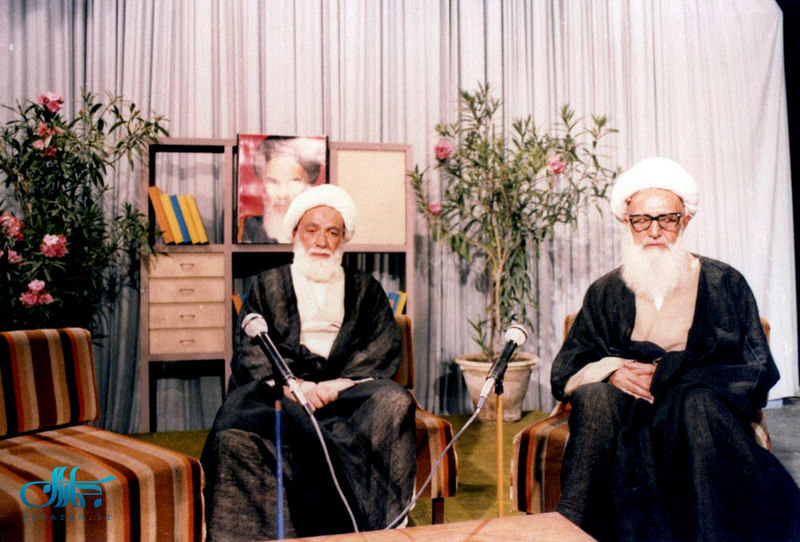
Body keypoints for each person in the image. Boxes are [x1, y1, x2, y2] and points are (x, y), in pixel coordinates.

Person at [550, 157, 800, 541]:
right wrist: (613, 370)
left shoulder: (724, 283)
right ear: (627, 224)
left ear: (685, 222)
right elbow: (569, 364)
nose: (654, 231)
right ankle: (573, 531)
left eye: (666, 219)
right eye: (641, 220)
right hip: (626, 410)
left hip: (696, 408)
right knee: (596, 400)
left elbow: (754, 367)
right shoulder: (606, 291)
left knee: (697, 406)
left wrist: (671, 375)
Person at [202, 184, 416, 541]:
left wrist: (334, 387)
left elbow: (382, 345)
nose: (321, 241)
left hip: (344, 392)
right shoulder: (268, 285)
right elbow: (251, 349)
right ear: (295, 234)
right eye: (311, 230)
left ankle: (380, 531)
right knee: (235, 433)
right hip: (281, 393)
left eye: (332, 232)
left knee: (394, 401)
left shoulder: (366, 288)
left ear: (343, 239)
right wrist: (295, 386)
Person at [241, 136, 325, 243]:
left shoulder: (323, 231)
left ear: (308, 184)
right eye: (273, 182)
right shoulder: (250, 228)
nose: (282, 195)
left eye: (293, 181)